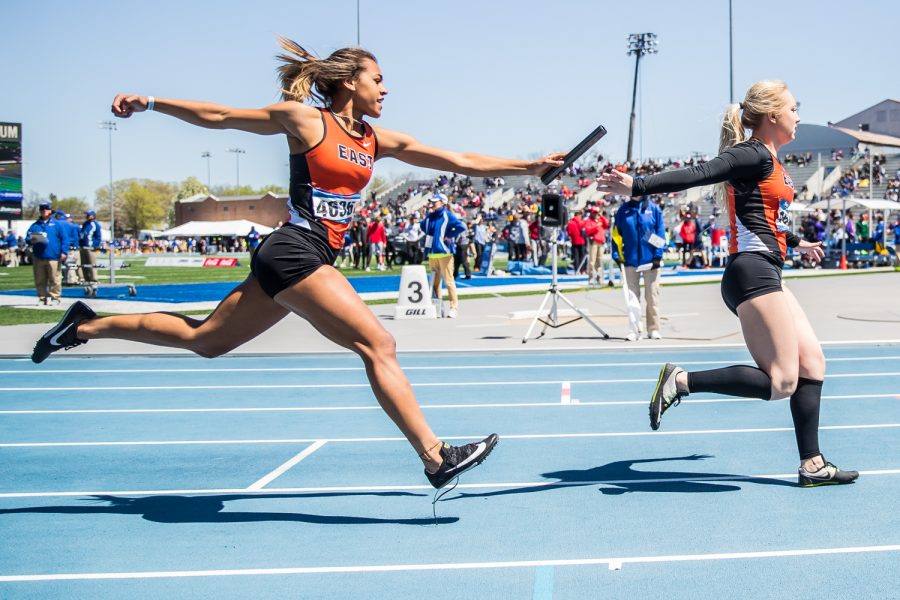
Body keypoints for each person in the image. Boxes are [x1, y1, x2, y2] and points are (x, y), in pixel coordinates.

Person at [31, 39, 564, 490]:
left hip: (301, 258)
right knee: (378, 343)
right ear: (349, 82)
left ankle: (84, 324)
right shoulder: (307, 121)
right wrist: (150, 102)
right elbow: (219, 117)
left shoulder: (378, 141)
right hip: (295, 248)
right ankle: (434, 455)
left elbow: (458, 161)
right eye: (378, 79)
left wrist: (528, 166)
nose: (385, 89)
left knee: (206, 340)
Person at [599, 80, 858, 487]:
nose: (798, 116)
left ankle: (812, 464)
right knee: (782, 382)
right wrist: (638, 185)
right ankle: (682, 381)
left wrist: (797, 242)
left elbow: (767, 218)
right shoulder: (751, 153)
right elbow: (699, 173)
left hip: (767, 268)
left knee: (813, 364)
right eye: (793, 108)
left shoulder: (772, 160)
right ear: (772, 115)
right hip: (751, 272)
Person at [611, 196, 666, 340]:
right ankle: (634, 329)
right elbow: (616, 234)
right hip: (630, 260)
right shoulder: (624, 210)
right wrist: (616, 254)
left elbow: (660, 233)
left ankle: (653, 328)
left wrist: (657, 256)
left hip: (651, 261)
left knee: (652, 296)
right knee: (632, 297)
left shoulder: (654, 209)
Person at [423, 193, 465, 318]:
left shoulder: (447, 215)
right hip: (433, 253)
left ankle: (454, 307)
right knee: (435, 283)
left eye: (435, 202)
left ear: (443, 202)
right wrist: (426, 214)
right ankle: (438, 306)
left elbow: (461, 226)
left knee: (448, 281)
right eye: (432, 202)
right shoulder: (431, 216)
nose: (433, 204)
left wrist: (450, 236)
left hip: (445, 252)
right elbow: (424, 227)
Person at [26, 202, 67, 305]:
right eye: (42, 209)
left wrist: (64, 251)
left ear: (50, 210)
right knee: (40, 279)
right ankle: (42, 297)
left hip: (53, 255)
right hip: (39, 255)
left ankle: (55, 297)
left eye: (46, 209)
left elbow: (64, 239)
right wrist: (32, 240)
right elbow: (27, 238)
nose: (44, 211)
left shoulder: (57, 224)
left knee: (55, 278)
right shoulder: (35, 225)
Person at [583, 207, 609, 285]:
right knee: (592, 260)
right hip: (593, 242)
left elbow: (607, 225)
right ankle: (590, 277)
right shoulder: (588, 221)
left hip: (600, 242)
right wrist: (596, 226)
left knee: (600, 260)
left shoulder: (600, 220)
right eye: (594, 213)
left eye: (597, 213)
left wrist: (601, 216)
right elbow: (588, 231)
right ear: (591, 213)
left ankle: (599, 277)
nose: (595, 214)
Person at [79, 210, 102, 285]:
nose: (88, 216)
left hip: (90, 247)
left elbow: (98, 237)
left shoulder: (95, 225)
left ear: (93, 216)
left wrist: (94, 245)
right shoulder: (85, 224)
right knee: (84, 263)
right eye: (87, 215)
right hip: (83, 247)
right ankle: (86, 278)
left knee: (92, 263)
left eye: (89, 215)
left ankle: (94, 278)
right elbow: (82, 235)